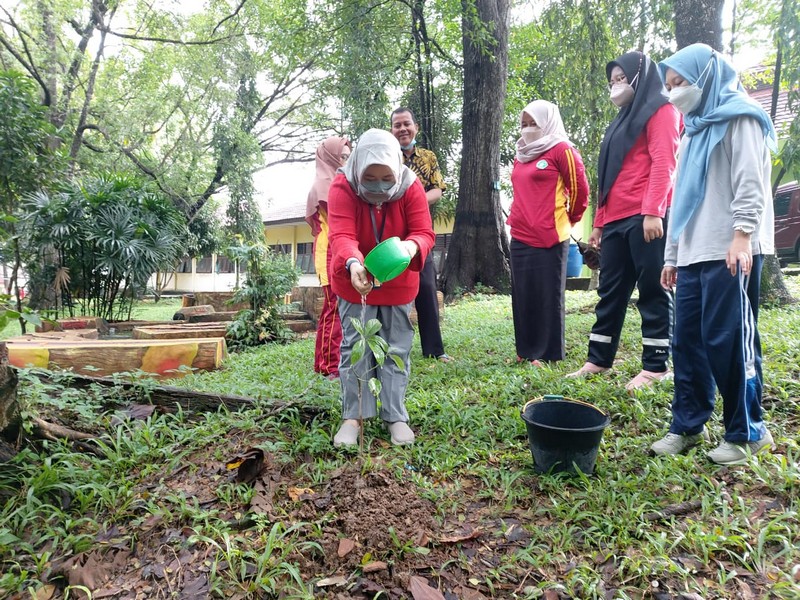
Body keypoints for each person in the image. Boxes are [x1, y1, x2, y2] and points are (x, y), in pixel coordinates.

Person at [650, 44, 776, 465]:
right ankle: (687, 424)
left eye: (680, 83)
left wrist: (742, 236)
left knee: (729, 341)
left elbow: (750, 180)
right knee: (686, 342)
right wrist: (671, 255)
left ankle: (746, 432)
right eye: (668, 86)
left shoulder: (741, 117)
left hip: (731, 250)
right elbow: (679, 200)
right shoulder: (692, 130)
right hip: (691, 254)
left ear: (706, 77)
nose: (674, 93)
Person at [567, 50, 681, 391]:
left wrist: (653, 210)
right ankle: (598, 359)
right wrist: (599, 223)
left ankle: (656, 366)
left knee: (652, 290)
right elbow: (609, 175)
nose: (616, 85)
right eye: (612, 80)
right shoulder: (619, 121)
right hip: (615, 219)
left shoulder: (661, 109)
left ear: (639, 77)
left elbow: (665, 162)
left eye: (621, 78)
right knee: (610, 291)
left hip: (646, 217)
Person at [327, 128, 435, 447]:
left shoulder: (411, 186)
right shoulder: (342, 186)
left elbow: (424, 232)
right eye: (369, 178)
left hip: (398, 280)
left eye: (385, 177)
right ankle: (354, 417)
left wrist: (412, 247)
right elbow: (342, 234)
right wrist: (354, 262)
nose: (378, 185)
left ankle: (395, 416)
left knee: (396, 349)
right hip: (355, 282)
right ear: (358, 168)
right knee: (356, 349)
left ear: (396, 169)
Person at [508, 100, 589, 364]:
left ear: (548, 123)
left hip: (551, 236)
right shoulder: (522, 154)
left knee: (548, 296)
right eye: (524, 124)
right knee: (523, 296)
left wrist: (569, 220)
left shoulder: (562, 150)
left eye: (534, 123)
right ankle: (526, 350)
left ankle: (547, 353)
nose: (528, 129)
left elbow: (580, 190)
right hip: (520, 235)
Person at [390, 108, 451, 363]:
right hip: (389, 232)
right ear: (391, 130)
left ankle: (435, 350)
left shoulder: (427, 157)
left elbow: (438, 189)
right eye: (397, 125)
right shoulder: (386, 155)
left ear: (415, 126)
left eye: (406, 124)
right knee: (390, 286)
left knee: (426, 287)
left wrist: (415, 202)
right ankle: (389, 347)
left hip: (419, 230)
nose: (402, 129)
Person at [306, 136, 352, 379]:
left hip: (337, 248)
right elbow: (337, 219)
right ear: (332, 157)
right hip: (329, 251)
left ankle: (325, 363)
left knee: (334, 308)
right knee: (333, 308)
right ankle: (329, 366)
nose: (346, 161)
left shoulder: (336, 180)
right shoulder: (326, 183)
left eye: (348, 156)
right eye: (343, 157)